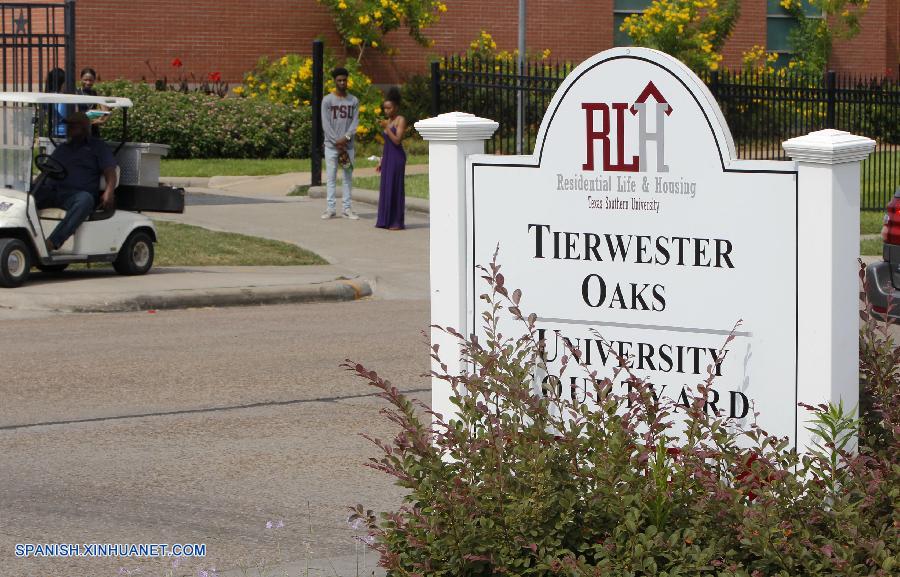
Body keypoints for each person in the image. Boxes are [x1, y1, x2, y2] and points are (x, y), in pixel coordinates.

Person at [34, 111, 118, 252]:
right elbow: (46, 170)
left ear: (85, 127)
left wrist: (109, 191)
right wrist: (33, 188)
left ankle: (52, 242)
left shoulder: (97, 147)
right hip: (54, 192)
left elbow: (110, 171)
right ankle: (22, 237)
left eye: (73, 126)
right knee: (25, 198)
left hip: (76, 195)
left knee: (85, 200)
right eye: (68, 126)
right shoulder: (62, 149)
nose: (69, 129)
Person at [320, 66, 360, 220]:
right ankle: (330, 208)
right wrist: (337, 141)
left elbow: (355, 123)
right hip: (332, 147)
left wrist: (346, 138)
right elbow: (326, 123)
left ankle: (347, 208)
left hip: (347, 148)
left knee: (347, 177)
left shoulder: (353, 100)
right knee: (331, 177)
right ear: (334, 81)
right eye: (339, 80)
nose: (342, 83)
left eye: (344, 80)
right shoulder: (327, 100)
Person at [375, 88, 407, 231]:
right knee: (386, 188)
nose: (387, 111)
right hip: (388, 157)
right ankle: (385, 220)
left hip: (397, 158)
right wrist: (381, 160)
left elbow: (397, 140)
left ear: (396, 107)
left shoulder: (400, 120)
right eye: (385, 108)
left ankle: (396, 221)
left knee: (395, 187)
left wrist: (387, 128)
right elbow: (387, 143)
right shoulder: (388, 121)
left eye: (389, 108)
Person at [76, 67, 110, 137]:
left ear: (94, 80)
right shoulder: (76, 94)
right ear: (81, 79)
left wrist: (101, 120)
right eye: (85, 80)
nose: (88, 83)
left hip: (94, 130)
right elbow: (74, 113)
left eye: (91, 80)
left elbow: (106, 112)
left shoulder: (96, 94)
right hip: (80, 130)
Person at [44, 68, 68, 138]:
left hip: (52, 131)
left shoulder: (47, 96)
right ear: (60, 83)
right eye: (65, 82)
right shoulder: (61, 97)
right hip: (63, 132)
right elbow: (62, 116)